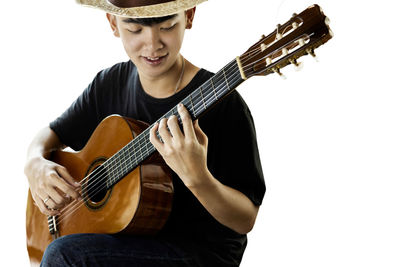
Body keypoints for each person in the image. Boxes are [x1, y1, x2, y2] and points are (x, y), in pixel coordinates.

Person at [24, 0, 266, 266]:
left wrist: (198, 178)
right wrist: (34, 163)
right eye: (135, 30)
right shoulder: (110, 83)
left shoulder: (224, 104)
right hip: (130, 240)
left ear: (189, 16)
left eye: (167, 26)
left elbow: (245, 220)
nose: (153, 45)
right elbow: (51, 134)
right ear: (113, 24)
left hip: (200, 254)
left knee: (64, 255)